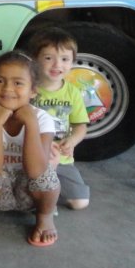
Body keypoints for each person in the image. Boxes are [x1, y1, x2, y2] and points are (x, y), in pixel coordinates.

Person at [0, 51, 60, 247]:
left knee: (47, 175)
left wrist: (31, 123)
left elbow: (37, 171)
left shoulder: (43, 119)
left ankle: (45, 216)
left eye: (18, 83)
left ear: (33, 90)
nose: (7, 88)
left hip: (29, 193)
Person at [28, 27, 90, 210]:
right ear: (35, 60)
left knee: (80, 202)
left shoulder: (73, 92)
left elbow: (80, 126)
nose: (57, 65)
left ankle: (50, 191)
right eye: (49, 58)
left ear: (72, 62)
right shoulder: (28, 89)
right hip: (31, 157)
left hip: (61, 159)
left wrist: (72, 141)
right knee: (30, 200)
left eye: (64, 59)